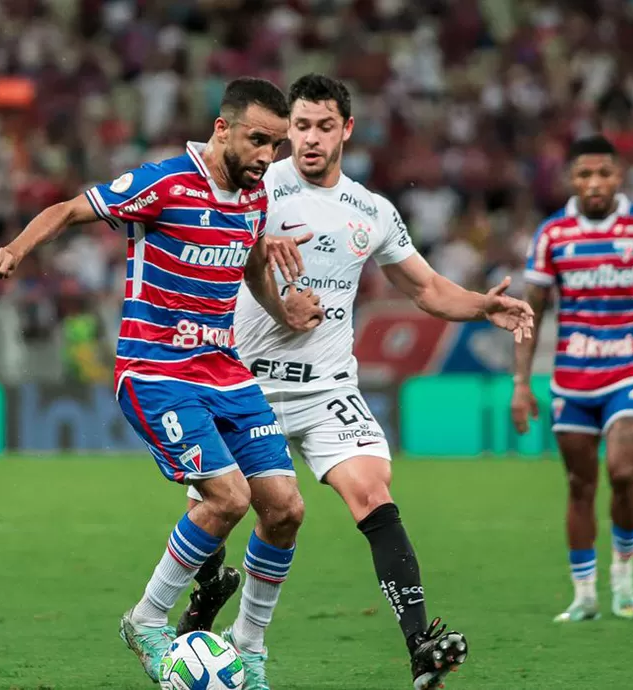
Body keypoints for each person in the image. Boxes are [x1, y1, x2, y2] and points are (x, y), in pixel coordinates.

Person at [177, 74, 535, 690]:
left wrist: (484, 305)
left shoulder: (372, 211)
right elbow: (203, 232)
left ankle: (412, 644)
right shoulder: (252, 186)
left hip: (326, 387)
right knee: (239, 512)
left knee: (372, 491)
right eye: (299, 126)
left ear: (346, 129)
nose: (308, 140)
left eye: (322, 126)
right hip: (243, 381)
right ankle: (204, 591)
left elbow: (425, 287)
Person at [0, 77, 324, 689]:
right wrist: (14, 248)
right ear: (224, 128)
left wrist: (281, 311)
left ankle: (247, 645)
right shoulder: (163, 183)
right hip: (156, 369)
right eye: (258, 141)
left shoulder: (254, 195)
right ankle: (146, 618)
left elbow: (247, 262)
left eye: (276, 146)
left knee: (286, 510)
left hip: (225, 369)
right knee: (228, 498)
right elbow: (66, 210)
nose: (268, 158)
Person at [511, 135, 633, 622]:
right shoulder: (552, 235)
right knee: (579, 484)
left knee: (621, 471)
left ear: (620, 177)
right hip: (572, 377)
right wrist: (520, 384)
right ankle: (585, 595)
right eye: (584, 175)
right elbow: (530, 311)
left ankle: (623, 576)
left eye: (604, 174)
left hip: (630, 370)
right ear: (571, 180)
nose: (594, 184)